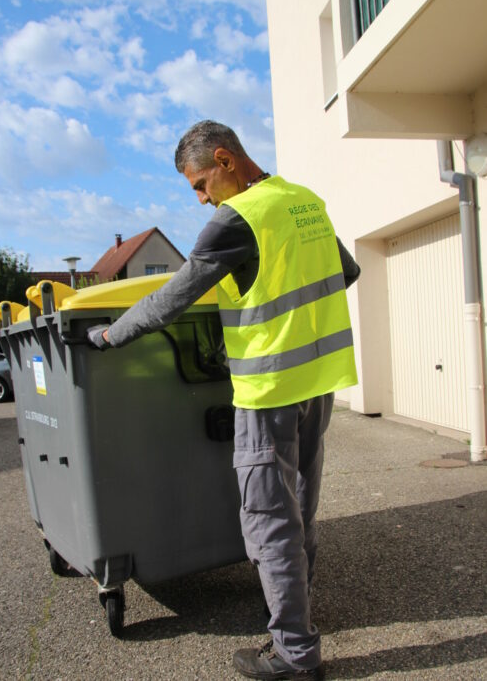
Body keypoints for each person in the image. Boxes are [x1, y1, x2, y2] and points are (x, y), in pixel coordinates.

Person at [88, 120, 360, 680]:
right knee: (300, 509)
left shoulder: (234, 219)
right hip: (318, 382)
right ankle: (290, 610)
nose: (201, 196)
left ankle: (294, 654)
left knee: (268, 520)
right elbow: (346, 271)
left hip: (268, 391)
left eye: (199, 183)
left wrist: (110, 335)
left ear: (224, 159)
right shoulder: (303, 200)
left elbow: (174, 297)